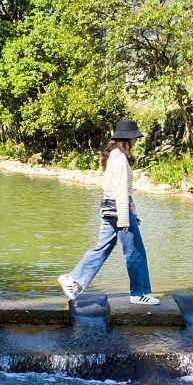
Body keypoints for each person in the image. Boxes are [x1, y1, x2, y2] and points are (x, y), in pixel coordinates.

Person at [58, 119, 160, 305]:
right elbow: (121, 190)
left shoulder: (113, 155)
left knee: (102, 248)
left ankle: (72, 279)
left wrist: (132, 212)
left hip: (109, 209)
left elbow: (117, 189)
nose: (137, 140)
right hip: (118, 211)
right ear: (128, 138)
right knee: (136, 252)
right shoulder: (120, 159)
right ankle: (139, 293)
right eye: (135, 137)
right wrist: (125, 219)